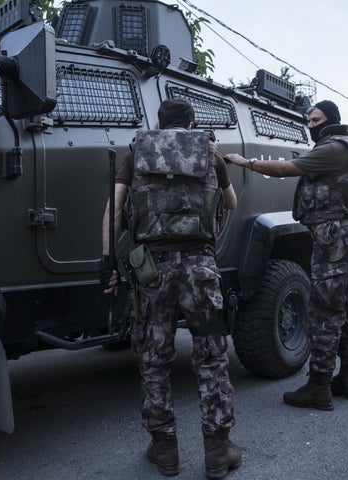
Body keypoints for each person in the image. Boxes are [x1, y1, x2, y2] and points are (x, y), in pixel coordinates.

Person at [100, 98, 240, 479]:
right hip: (201, 268)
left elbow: (114, 211)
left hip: (152, 273)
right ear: (192, 124)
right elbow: (231, 202)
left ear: (159, 124)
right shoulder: (212, 154)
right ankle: (217, 450)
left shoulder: (136, 153)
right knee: (211, 358)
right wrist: (210, 242)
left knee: (154, 358)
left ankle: (165, 450)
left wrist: (107, 263)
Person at [225, 100, 348, 410]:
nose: (310, 124)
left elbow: (284, 169)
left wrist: (244, 162)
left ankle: (318, 387)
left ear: (330, 120)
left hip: (337, 241)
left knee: (325, 313)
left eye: (315, 119)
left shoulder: (334, 148)